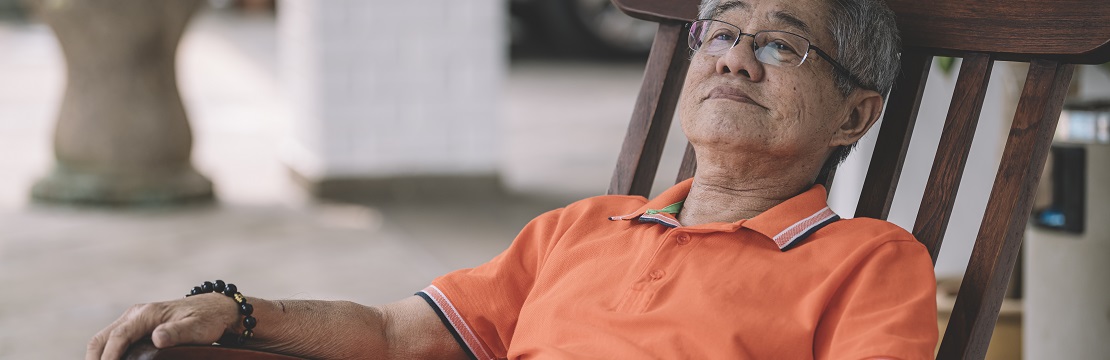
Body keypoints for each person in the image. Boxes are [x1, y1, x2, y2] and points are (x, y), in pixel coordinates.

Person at [87, 0, 938, 358]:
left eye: (781, 43)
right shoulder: (583, 227)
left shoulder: (870, 262)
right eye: (717, 36)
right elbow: (393, 334)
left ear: (852, 117)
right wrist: (241, 310)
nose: (735, 61)